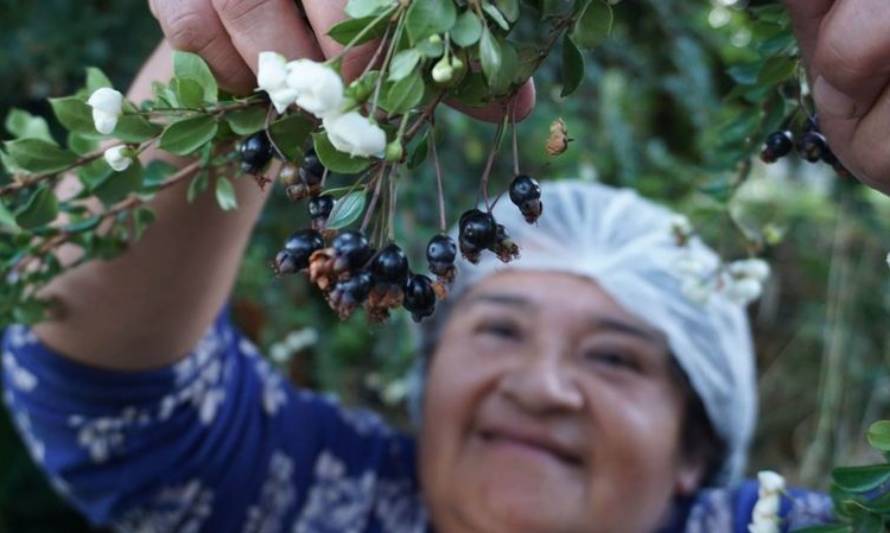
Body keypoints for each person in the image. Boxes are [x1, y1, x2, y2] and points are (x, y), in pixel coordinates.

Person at [2, 0, 889, 531]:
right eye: (499, 327)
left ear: (696, 451)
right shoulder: (333, 501)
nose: (542, 385)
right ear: (427, 387)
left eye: (615, 356)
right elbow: (104, 390)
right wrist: (251, 62)